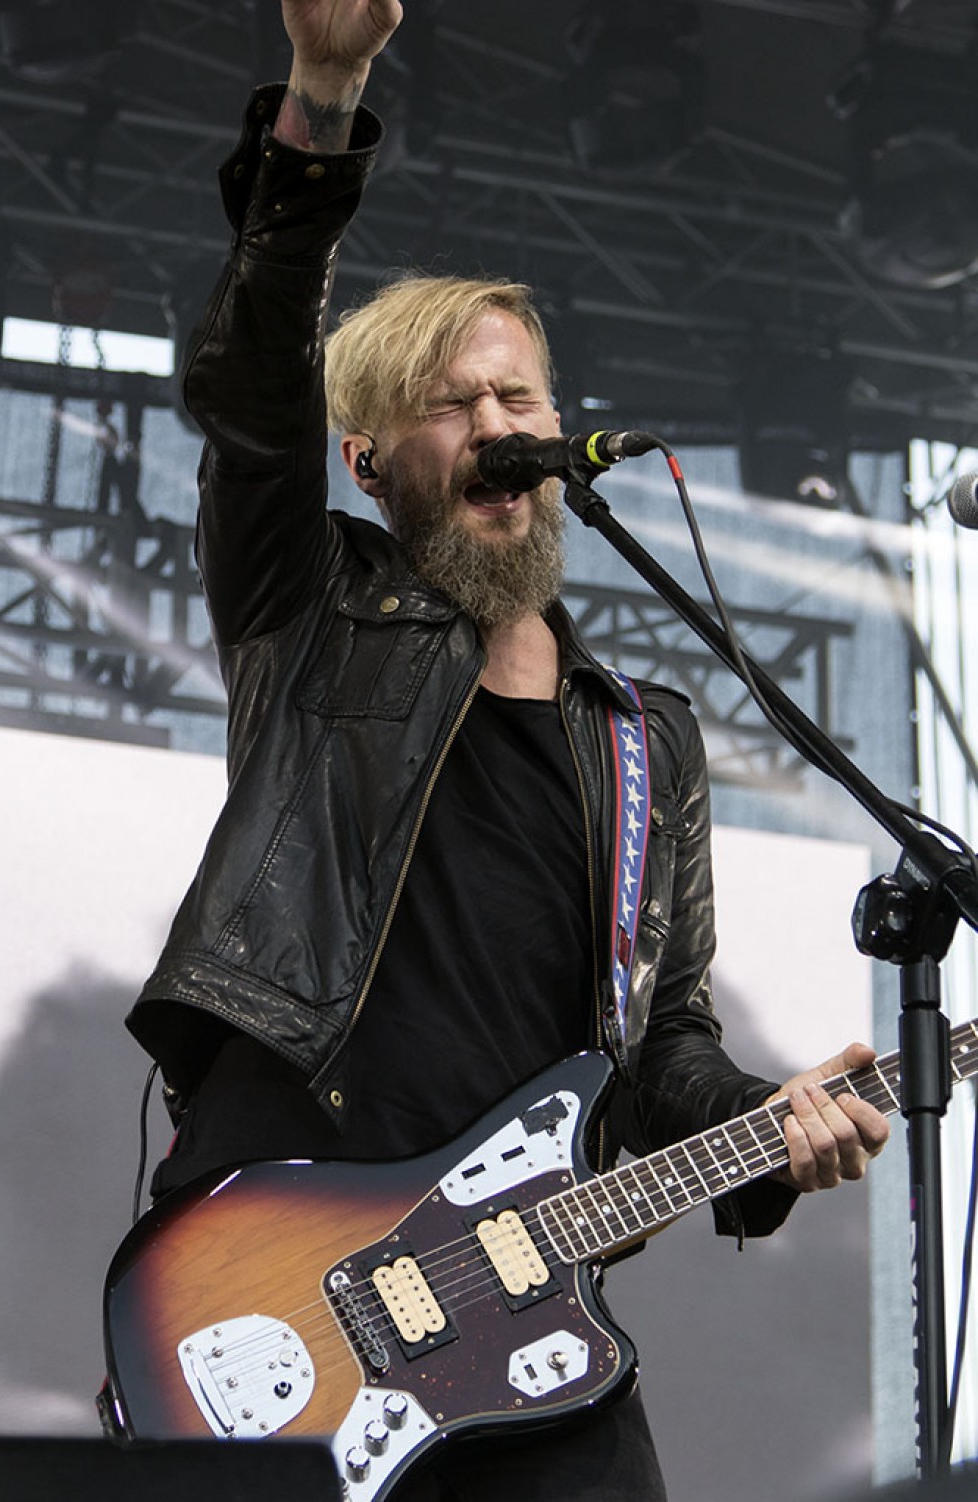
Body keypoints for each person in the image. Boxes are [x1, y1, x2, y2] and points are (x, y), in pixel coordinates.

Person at [123, 3, 890, 1497]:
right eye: (450, 402)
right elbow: (256, 390)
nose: (495, 422)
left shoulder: (646, 742)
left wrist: (769, 1121)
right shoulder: (310, 609)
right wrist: (324, 94)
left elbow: (660, 1042)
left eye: (518, 395)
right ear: (369, 460)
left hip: (519, 1307)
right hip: (285, 1264)